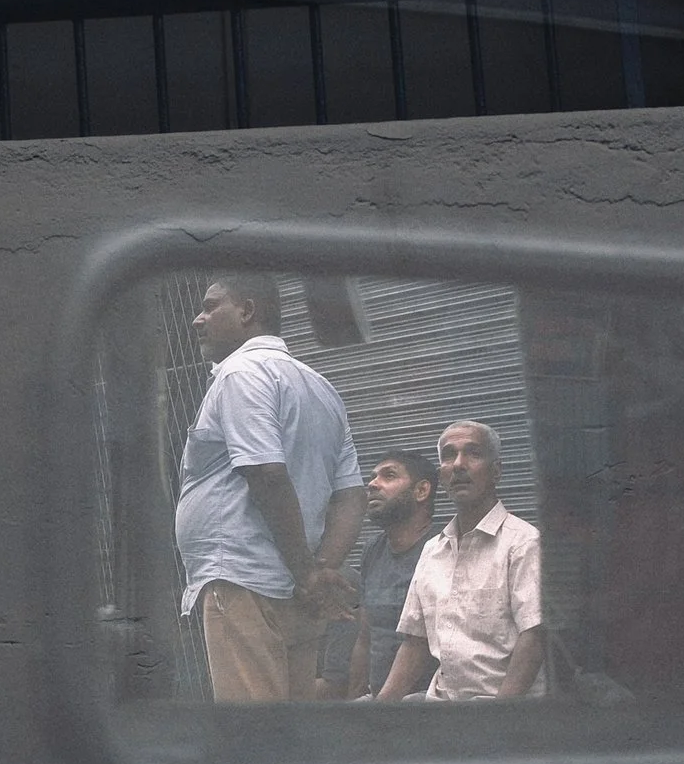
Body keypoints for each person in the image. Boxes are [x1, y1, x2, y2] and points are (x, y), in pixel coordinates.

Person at [174, 275, 365, 702]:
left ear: (247, 311)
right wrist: (319, 570)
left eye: (210, 306)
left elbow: (266, 473)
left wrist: (308, 573)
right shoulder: (321, 387)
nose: (197, 319)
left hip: (244, 581)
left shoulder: (240, 373)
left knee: (253, 732)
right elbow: (351, 496)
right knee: (291, 728)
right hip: (298, 593)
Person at [375, 421, 545, 701]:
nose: (458, 465)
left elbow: (535, 636)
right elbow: (415, 643)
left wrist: (500, 716)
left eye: (473, 453)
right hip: (442, 706)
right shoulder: (433, 550)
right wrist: (377, 714)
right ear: (441, 476)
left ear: (496, 471)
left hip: (502, 709)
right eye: (448, 456)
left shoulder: (523, 543)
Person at [328, 449, 440, 700]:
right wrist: (357, 698)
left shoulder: (442, 550)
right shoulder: (373, 550)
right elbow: (366, 635)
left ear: (422, 491)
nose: (372, 484)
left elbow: (421, 644)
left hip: (428, 703)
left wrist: (381, 709)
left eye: (389, 476)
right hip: (379, 701)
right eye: (372, 477)